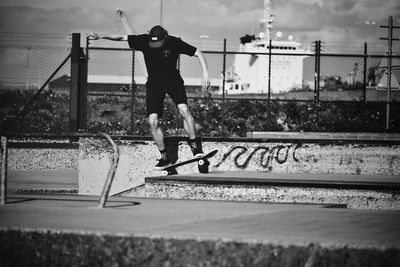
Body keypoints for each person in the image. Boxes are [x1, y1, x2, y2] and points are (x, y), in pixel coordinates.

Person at [90, 25, 211, 170]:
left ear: (165, 37)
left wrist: (205, 73)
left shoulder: (174, 42)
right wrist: (101, 36)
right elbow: (122, 37)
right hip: (155, 85)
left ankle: (196, 149)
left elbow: (198, 52)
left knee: (184, 110)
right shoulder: (143, 41)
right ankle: (164, 157)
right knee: (153, 121)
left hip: (174, 82)